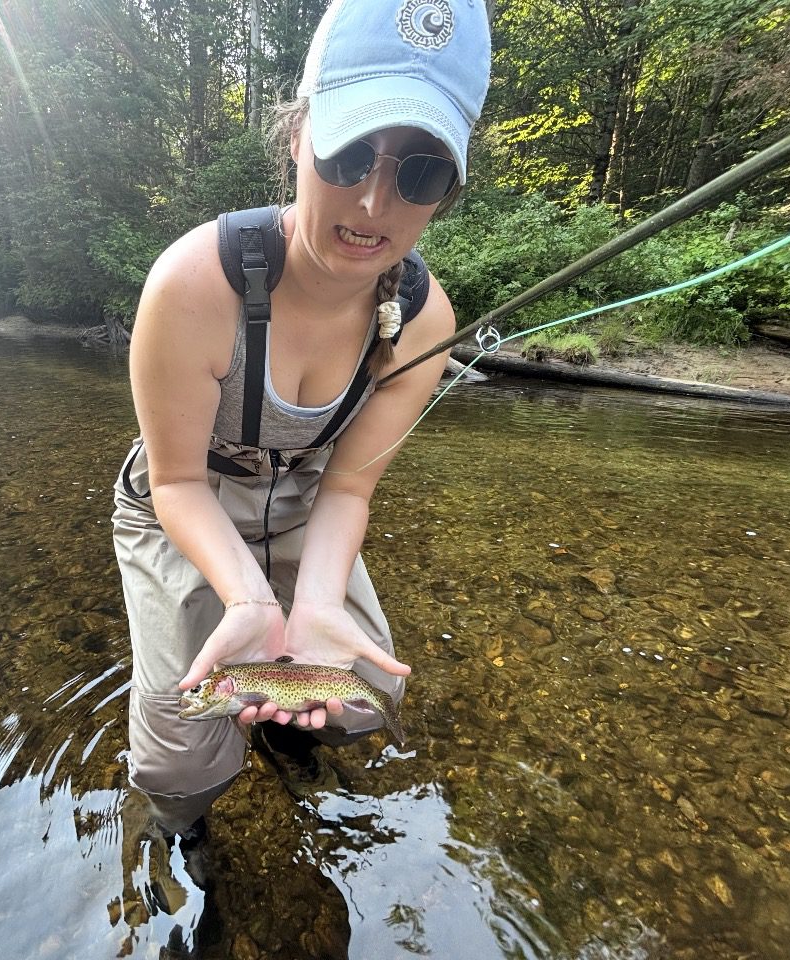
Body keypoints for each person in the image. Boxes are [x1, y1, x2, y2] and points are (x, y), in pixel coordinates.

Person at [112, 0, 492, 841]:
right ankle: (184, 829)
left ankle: (286, 731)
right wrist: (249, 599)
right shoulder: (194, 285)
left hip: (312, 497)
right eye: (350, 152)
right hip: (186, 499)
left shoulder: (425, 321)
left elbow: (349, 491)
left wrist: (314, 603)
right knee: (181, 744)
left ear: (449, 189)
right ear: (298, 138)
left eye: (420, 173)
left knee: (364, 691)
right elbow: (174, 480)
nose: (371, 201)